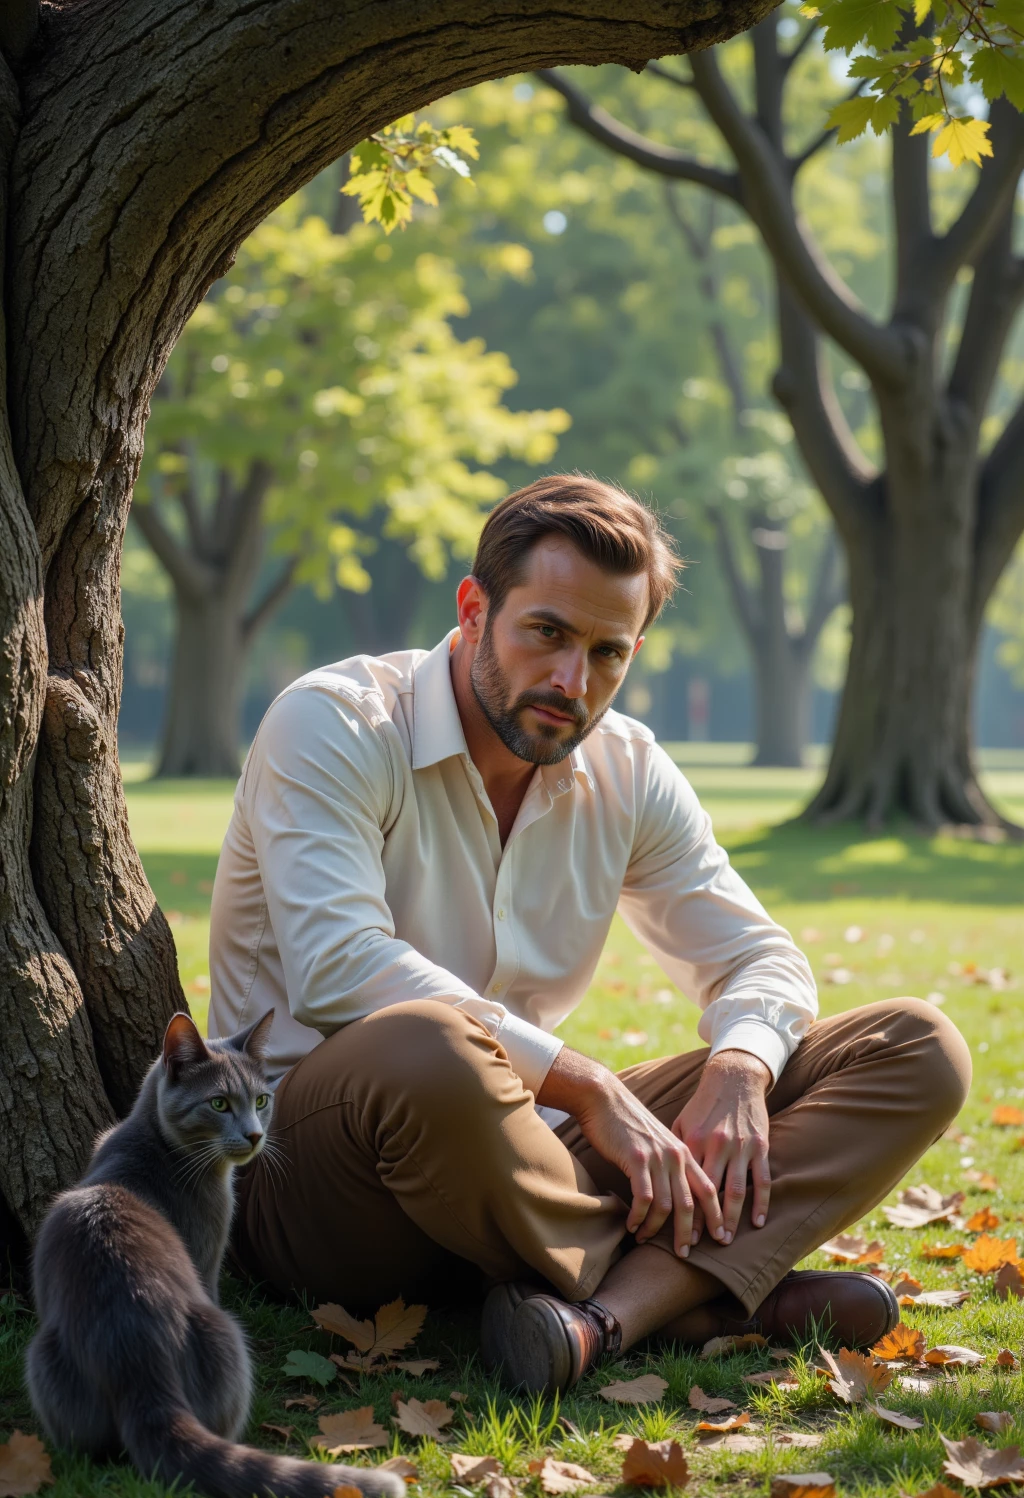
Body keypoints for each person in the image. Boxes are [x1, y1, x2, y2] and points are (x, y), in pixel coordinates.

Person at [210, 474, 971, 1392]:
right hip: (315, 1167)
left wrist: (740, 1069)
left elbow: (758, 957)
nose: (573, 682)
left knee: (914, 1046)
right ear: (473, 608)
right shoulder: (334, 721)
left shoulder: (627, 768)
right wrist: (591, 1088)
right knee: (433, 1046)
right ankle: (708, 1300)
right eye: (548, 634)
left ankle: (598, 1320)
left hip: (522, 1152)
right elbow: (339, 968)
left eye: (609, 653)